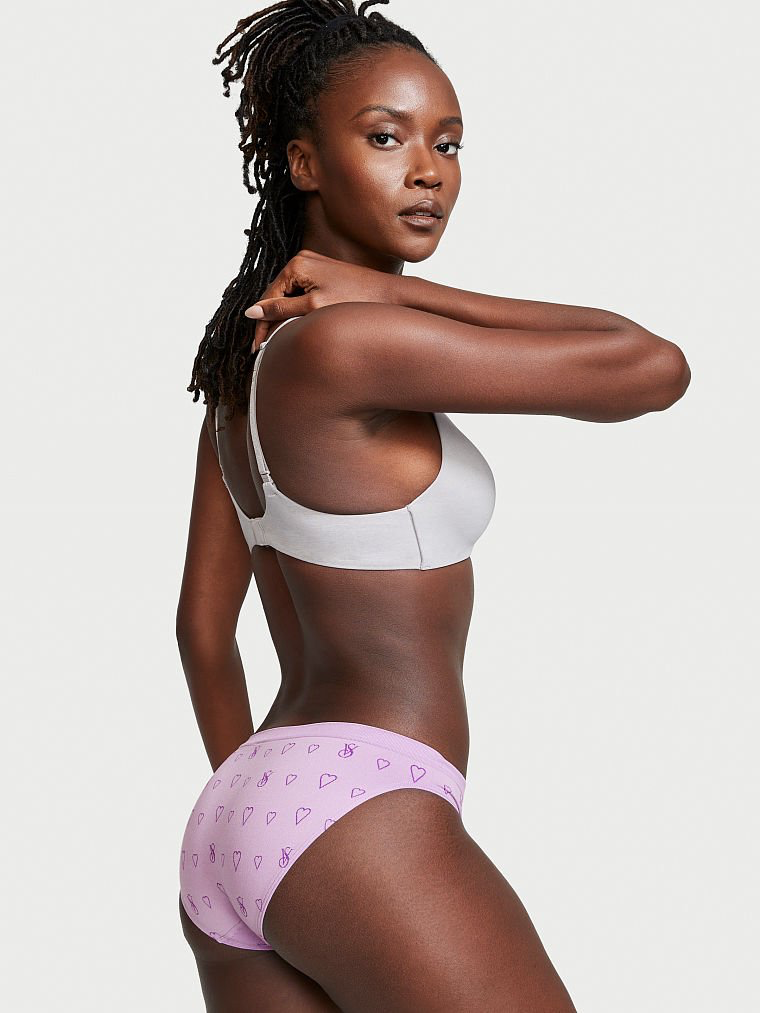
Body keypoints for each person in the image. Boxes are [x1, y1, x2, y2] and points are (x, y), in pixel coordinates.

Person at [176, 2, 691, 1010]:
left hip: (242, 809)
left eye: (447, 144)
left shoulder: (241, 377)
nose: (427, 171)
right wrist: (395, 295)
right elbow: (651, 365)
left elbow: (202, 630)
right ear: (303, 162)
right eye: (385, 137)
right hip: (360, 798)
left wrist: (269, 807)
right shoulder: (347, 344)